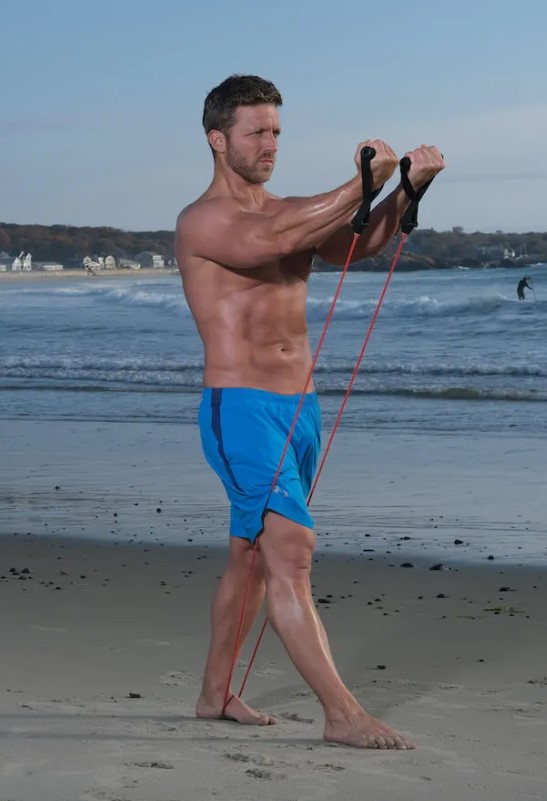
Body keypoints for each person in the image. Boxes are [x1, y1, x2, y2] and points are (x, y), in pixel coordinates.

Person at [175, 74, 444, 750]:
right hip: (239, 410)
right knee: (289, 551)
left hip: (300, 410)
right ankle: (343, 714)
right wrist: (364, 178)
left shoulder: (292, 208)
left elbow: (352, 242)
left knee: (252, 559)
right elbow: (271, 238)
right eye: (256, 132)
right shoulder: (202, 220)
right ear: (217, 139)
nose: (269, 145)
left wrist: (408, 184)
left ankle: (214, 694)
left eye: (276, 133)